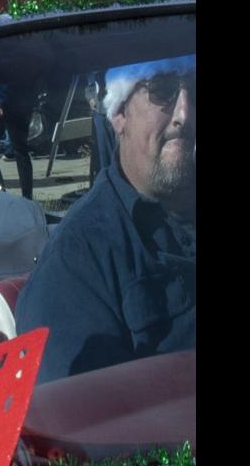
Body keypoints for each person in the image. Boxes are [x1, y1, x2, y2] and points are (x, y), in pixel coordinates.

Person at [15, 54, 196, 382]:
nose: (186, 113)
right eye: (163, 90)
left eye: (196, 89)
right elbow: (82, 423)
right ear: (119, 114)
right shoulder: (77, 263)